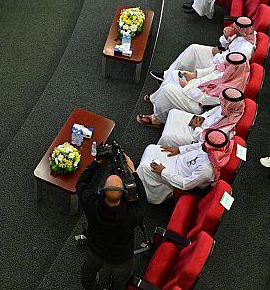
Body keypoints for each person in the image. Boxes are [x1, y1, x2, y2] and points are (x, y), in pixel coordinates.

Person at [76, 152, 146, 290]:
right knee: (120, 284)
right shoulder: (131, 215)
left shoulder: (91, 204)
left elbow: (81, 183)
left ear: (102, 190)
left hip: (95, 252)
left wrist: (96, 163)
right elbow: (143, 200)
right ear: (123, 193)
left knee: (87, 275)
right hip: (120, 259)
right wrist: (133, 171)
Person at [138, 52, 250, 127]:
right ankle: (156, 99)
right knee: (174, 74)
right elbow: (213, 70)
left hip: (196, 102)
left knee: (167, 90)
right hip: (193, 87)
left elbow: (204, 99)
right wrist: (194, 75)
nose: (226, 65)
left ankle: (158, 119)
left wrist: (186, 85)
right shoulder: (230, 70)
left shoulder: (231, 90)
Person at [151, 17, 257, 86]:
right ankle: (167, 75)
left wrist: (217, 53)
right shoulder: (244, 34)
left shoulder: (245, 48)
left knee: (195, 53)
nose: (234, 29)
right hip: (220, 56)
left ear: (242, 29)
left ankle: (169, 78)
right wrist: (225, 36)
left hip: (219, 67)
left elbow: (230, 64)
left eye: (236, 28)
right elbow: (227, 44)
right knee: (194, 48)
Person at [137, 128, 232, 204]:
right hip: (178, 159)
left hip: (176, 174)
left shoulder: (207, 170)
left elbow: (185, 184)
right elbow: (197, 146)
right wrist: (179, 149)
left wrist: (163, 171)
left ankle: (143, 193)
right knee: (151, 148)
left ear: (211, 149)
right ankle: (140, 178)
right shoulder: (210, 148)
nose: (203, 143)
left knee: (145, 167)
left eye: (205, 144)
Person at [159, 87, 246, 149]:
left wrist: (196, 127)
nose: (221, 103)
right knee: (173, 112)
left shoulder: (228, 124)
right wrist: (202, 117)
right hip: (201, 122)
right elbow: (211, 112)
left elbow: (208, 140)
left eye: (223, 102)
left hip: (198, 135)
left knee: (168, 136)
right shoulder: (228, 106)